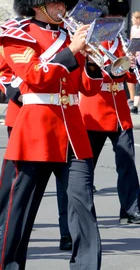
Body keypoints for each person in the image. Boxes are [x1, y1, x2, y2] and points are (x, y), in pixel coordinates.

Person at [0, 0, 102, 269]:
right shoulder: (17, 34)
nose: (62, 5)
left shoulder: (69, 35)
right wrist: (73, 51)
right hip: (36, 130)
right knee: (20, 209)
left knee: (82, 205)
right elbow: (35, 75)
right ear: (39, 0)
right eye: (56, 0)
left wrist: (95, 62)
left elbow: (86, 89)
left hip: (73, 131)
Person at [78, 0, 140, 225]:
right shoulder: (86, 39)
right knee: (85, 168)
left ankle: (130, 210)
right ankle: (82, 213)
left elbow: (130, 79)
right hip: (93, 110)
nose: (115, 19)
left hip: (119, 110)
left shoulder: (121, 41)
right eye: (112, 15)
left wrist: (134, 67)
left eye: (118, 15)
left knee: (127, 162)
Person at [0, 18, 73, 251]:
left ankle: (67, 233)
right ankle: (4, 228)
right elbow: (4, 71)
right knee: (16, 184)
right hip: (24, 112)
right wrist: (14, 90)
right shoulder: (19, 32)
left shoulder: (65, 33)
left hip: (59, 115)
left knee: (67, 182)